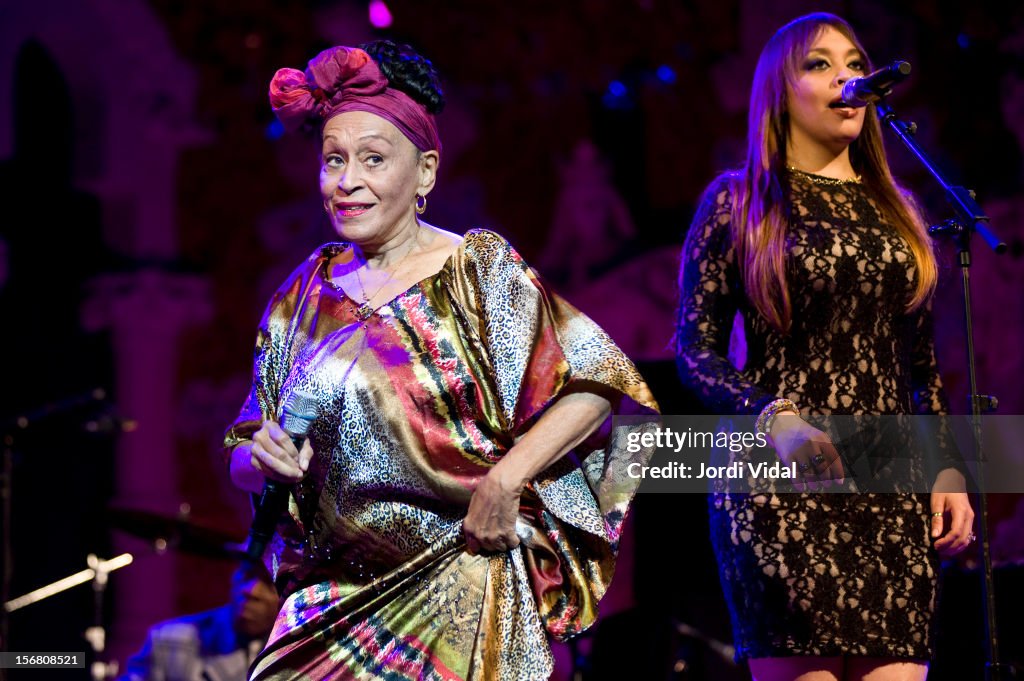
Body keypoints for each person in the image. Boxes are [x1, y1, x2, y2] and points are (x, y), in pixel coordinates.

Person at [223, 41, 658, 680]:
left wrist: (507, 480)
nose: (347, 181)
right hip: (328, 599)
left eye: (373, 159)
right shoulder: (304, 290)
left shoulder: (475, 270)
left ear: (425, 172)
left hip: (462, 584)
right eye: (333, 160)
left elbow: (592, 386)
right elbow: (243, 450)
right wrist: (259, 457)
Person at [674, 13, 974, 681]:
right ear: (780, 92)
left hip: (891, 490)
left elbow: (921, 364)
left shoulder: (901, 210)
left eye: (853, 60)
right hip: (781, 487)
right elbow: (695, 351)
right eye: (818, 64)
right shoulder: (740, 202)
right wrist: (772, 415)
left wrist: (948, 466)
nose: (846, 75)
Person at [120, 562, 278, 681]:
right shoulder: (168, 640)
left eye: (268, 583)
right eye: (247, 574)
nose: (251, 590)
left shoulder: (296, 650)